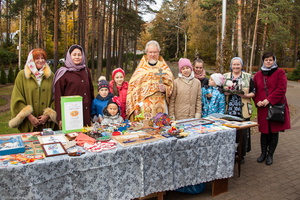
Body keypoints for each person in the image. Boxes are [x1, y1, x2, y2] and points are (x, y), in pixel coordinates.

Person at [253, 52, 291, 165]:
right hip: (263, 108)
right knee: (264, 132)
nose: (268, 62)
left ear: (274, 61)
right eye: (266, 60)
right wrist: (258, 101)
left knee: (274, 132)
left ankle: (270, 155)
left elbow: (281, 89)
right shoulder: (258, 75)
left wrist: (268, 100)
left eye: (270, 60)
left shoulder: (280, 73)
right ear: (263, 61)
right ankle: (263, 153)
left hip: (276, 106)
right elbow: (255, 91)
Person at [9, 49, 57, 133]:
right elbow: (17, 97)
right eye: (37, 58)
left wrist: (48, 115)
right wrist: (30, 117)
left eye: (43, 58)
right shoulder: (22, 75)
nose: (41, 60)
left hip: (47, 125)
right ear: (31, 59)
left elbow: (56, 97)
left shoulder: (51, 76)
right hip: (28, 123)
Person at [126, 40, 174, 120]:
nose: (152, 55)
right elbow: (133, 89)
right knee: (146, 129)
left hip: (161, 105)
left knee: (161, 129)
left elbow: (172, 86)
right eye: (150, 52)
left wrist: (165, 89)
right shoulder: (140, 70)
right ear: (146, 53)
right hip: (144, 106)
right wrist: (135, 107)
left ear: (158, 52)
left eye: (155, 52)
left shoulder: (164, 69)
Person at [53, 44, 94, 127]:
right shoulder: (63, 73)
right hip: (70, 115)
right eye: (74, 55)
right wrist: (60, 118)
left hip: (85, 112)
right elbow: (58, 96)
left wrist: (92, 111)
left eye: (79, 55)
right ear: (69, 56)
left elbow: (91, 91)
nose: (77, 57)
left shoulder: (86, 71)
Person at [223, 57, 255, 163]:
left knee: (242, 134)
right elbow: (220, 90)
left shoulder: (248, 77)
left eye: (238, 64)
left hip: (243, 109)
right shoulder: (225, 76)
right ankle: (230, 154)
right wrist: (226, 92)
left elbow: (254, 92)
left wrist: (244, 95)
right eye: (234, 64)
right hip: (229, 109)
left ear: (242, 65)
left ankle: (241, 155)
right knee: (230, 133)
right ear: (231, 66)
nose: (236, 66)